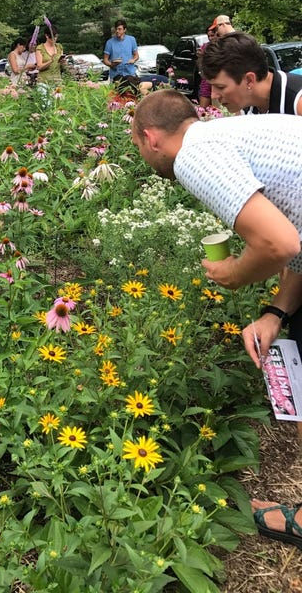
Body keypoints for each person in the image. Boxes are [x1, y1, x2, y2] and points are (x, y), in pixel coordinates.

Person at [131, 88, 302, 549]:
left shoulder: (194, 157)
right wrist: (275, 313)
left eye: (138, 148)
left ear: (149, 138)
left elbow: (280, 244)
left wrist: (233, 273)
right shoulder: (233, 133)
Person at [200, 31, 302, 116]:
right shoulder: (245, 105)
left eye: (220, 87)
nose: (213, 96)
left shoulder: (297, 103)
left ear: (249, 80)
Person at [103, 19, 139, 92]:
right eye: (116, 29)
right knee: (116, 97)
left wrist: (133, 60)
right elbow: (105, 60)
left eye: (119, 29)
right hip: (116, 75)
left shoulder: (131, 40)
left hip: (130, 74)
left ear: (124, 30)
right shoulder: (110, 42)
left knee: (132, 95)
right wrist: (111, 64)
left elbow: (136, 55)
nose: (117, 31)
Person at [196, 24, 218, 108]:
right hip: (206, 81)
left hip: (218, 81)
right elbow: (200, 67)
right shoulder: (205, 46)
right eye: (208, 36)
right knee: (203, 110)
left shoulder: (222, 46)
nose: (210, 38)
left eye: (212, 35)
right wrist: (200, 57)